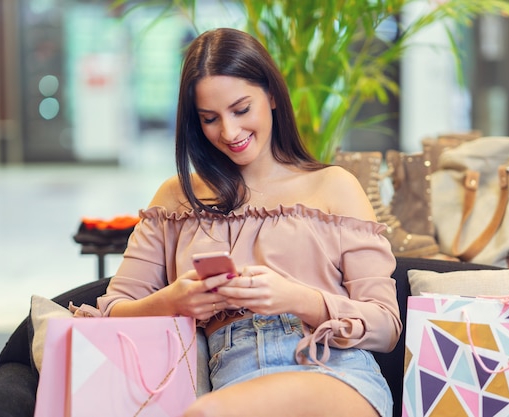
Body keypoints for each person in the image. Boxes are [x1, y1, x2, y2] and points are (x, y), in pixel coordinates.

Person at [97, 27, 401, 417]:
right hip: (234, 377)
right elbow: (111, 312)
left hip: (333, 373)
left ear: (272, 95)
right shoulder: (175, 199)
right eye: (210, 118)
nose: (229, 132)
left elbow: (386, 325)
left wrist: (295, 298)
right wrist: (173, 301)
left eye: (241, 110)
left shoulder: (335, 186)